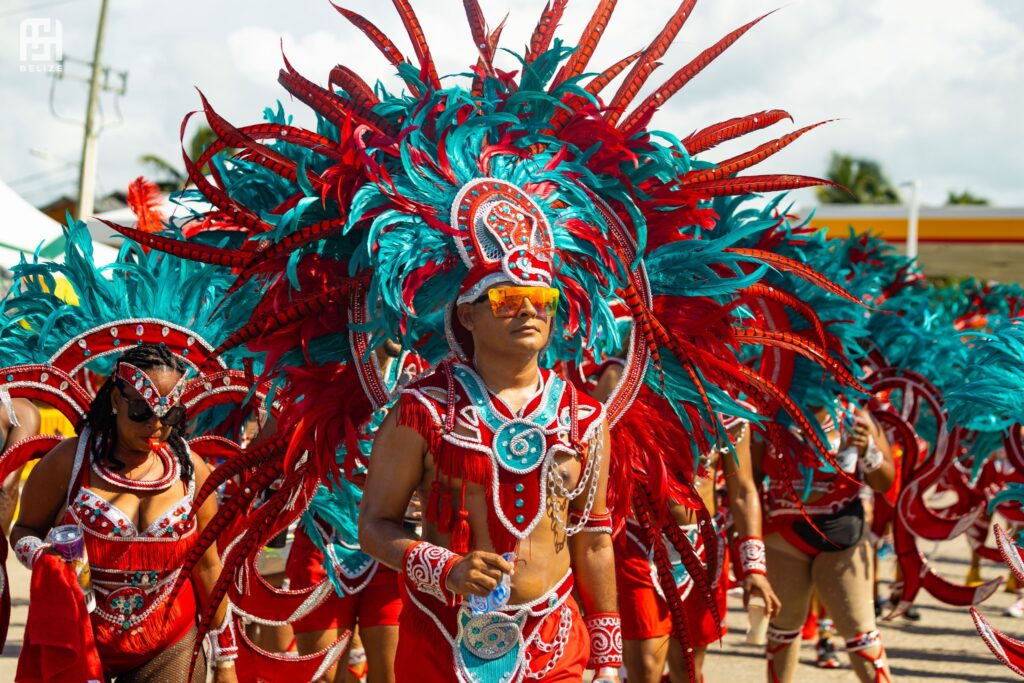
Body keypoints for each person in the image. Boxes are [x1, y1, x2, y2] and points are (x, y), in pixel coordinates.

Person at [360, 258, 621, 681]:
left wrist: (608, 660)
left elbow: (593, 540)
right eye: (506, 299)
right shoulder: (424, 409)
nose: (528, 311)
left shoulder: (585, 418)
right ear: (467, 315)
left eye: (542, 299)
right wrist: (447, 568)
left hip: (553, 642)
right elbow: (374, 525)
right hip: (440, 635)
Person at [10, 344, 238, 681]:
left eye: (169, 414)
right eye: (142, 411)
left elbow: (208, 566)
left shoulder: (192, 471)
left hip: (167, 643)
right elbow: (23, 530)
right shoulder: (70, 461)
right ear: (116, 401)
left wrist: (225, 660)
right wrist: (46, 559)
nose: (156, 425)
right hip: (78, 638)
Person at [617, 404, 781, 682]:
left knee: (689, 667)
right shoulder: (627, 393)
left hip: (704, 548)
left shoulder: (728, 412)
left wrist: (754, 568)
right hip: (639, 543)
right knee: (645, 669)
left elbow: (742, 489)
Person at [757, 403, 896, 683]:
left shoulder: (857, 416)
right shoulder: (769, 412)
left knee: (860, 632)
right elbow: (749, 479)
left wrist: (868, 450)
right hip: (784, 531)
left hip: (843, 530)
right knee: (782, 630)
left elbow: (885, 482)